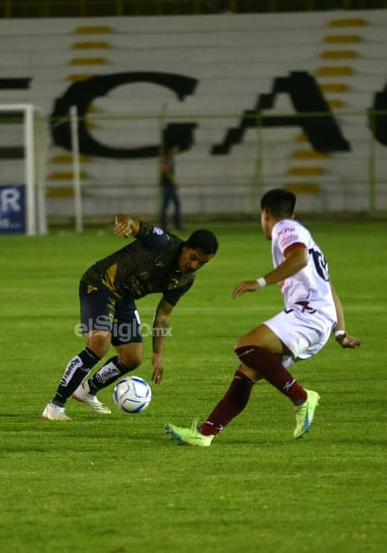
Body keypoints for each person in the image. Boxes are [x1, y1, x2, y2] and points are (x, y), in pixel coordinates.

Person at [165, 188, 362, 446]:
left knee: (245, 345)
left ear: (265, 214)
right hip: (319, 321)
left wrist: (259, 282)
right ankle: (206, 434)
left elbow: (299, 259)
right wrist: (339, 332)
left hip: (307, 315)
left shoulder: (285, 228)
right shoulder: (306, 236)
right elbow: (329, 288)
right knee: (247, 372)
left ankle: (302, 397)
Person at [42, 214, 219, 421]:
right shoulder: (163, 242)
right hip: (100, 284)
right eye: (193, 257)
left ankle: (86, 391)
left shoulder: (185, 280)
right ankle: (55, 406)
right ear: (185, 247)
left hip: (124, 299)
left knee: (132, 357)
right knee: (99, 344)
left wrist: (157, 353)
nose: (195, 265)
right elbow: (131, 222)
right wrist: (124, 224)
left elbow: (163, 314)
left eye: (202, 263)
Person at [159, 143, 182, 231]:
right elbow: (168, 172)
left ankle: (164, 225)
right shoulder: (168, 160)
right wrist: (174, 183)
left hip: (166, 186)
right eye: (175, 149)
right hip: (168, 186)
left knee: (165, 206)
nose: (177, 151)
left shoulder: (165, 159)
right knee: (176, 204)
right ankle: (177, 225)